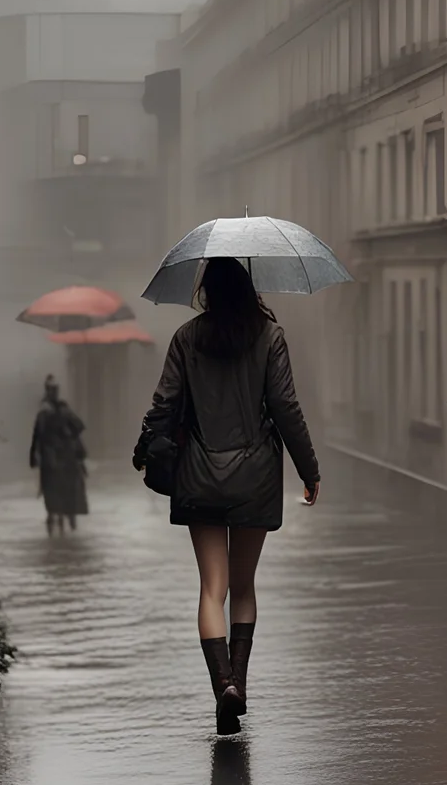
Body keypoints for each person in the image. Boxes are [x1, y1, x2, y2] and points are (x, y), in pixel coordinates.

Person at [133, 258, 320, 735]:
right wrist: (308, 467)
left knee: (211, 588)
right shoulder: (270, 337)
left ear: (206, 292)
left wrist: (146, 447)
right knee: (244, 586)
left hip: (199, 474)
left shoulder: (186, 338)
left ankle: (223, 687)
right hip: (255, 476)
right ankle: (240, 680)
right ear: (247, 289)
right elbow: (285, 407)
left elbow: (164, 403)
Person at [29, 375, 89, 535]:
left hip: (63, 459)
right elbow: (38, 436)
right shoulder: (46, 411)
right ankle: (60, 530)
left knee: (65, 498)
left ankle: (66, 530)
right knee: (54, 501)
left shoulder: (61, 409)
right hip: (53, 460)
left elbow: (78, 427)